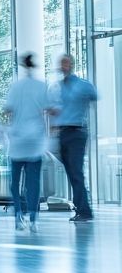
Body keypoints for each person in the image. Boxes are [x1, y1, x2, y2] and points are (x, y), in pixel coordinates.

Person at [50, 54, 99, 222]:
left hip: (77, 132)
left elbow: (94, 95)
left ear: (71, 65)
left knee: (76, 172)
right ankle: (82, 209)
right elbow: (57, 109)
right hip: (63, 133)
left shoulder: (83, 85)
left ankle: (84, 211)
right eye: (61, 63)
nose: (62, 66)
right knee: (72, 173)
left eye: (65, 63)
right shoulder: (58, 87)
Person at [4, 54, 50, 233]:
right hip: (35, 141)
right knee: (33, 183)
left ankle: (18, 215)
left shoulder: (15, 87)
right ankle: (34, 219)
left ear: (23, 66)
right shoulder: (42, 86)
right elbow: (47, 112)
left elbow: (8, 112)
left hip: (17, 141)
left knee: (15, 183)